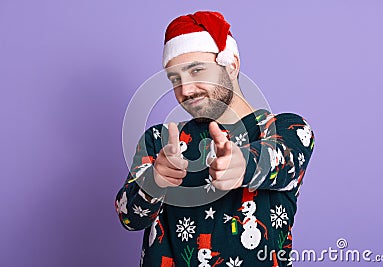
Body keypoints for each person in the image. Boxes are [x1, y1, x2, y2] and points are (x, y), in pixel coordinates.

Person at [115, 11, 315, 267]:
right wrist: (154, 181)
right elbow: (128, 217)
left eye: (196, 70)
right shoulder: (159, 140)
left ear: (231, 64)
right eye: (175, 79)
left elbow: (283, 160)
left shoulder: (286, 129)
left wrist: (241, 163)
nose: (185, 90)